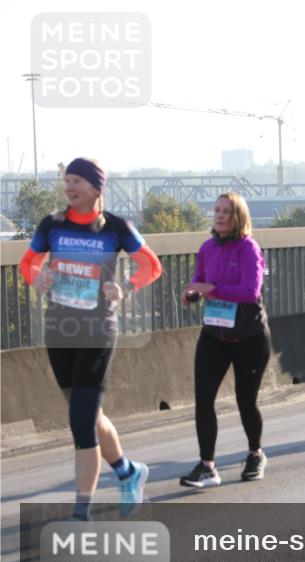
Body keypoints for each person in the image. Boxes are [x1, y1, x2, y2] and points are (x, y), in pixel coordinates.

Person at [18, 157, 163, 520]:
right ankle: (129, 472)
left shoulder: (116, 227)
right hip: (59, 329)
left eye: (76, 182)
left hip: (98, 330)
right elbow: (28, 262)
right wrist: (36, 278)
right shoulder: (52, 224)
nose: (69, 188)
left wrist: (126, 286)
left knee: (81, 424)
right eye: (66, 181)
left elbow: (152, 265)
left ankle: (81, 513)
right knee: (87, 413)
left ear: (97, 188)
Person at [180, 193, 271, 487]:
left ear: (238, 217)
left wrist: (210, 288)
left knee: (246, 401)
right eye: (216, 210)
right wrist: (193, 294)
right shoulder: (207, 248)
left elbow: (249, 292)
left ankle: (256, 453)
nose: (218, 216)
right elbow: (201, 282)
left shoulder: (248, 248)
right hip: (214, 335)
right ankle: (207, 465)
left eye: (225, 212)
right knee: (203, 400)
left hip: (250, 337)